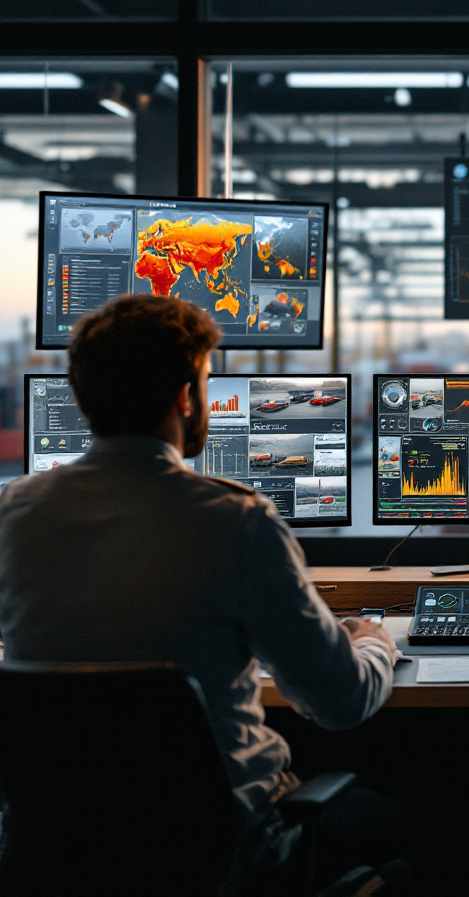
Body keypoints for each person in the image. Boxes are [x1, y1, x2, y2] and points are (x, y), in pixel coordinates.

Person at [0, 295, 398, 892]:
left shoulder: (11, 513)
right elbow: (340, 704)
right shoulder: (236, 521)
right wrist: (373, 645)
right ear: (186, 396)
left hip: (53, 855)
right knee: (385, 817)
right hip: (224, 854)